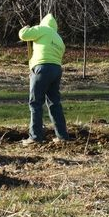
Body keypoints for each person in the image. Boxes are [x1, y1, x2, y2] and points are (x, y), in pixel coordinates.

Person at [18, 13, 70, 145]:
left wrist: (26, 27)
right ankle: (62, 136)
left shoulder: (42, 29)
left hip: (42, 68)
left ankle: (35, 137)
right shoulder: (59, 39)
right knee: (54, 103)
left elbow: (23, 35)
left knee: (35, 103)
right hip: (56, 70)